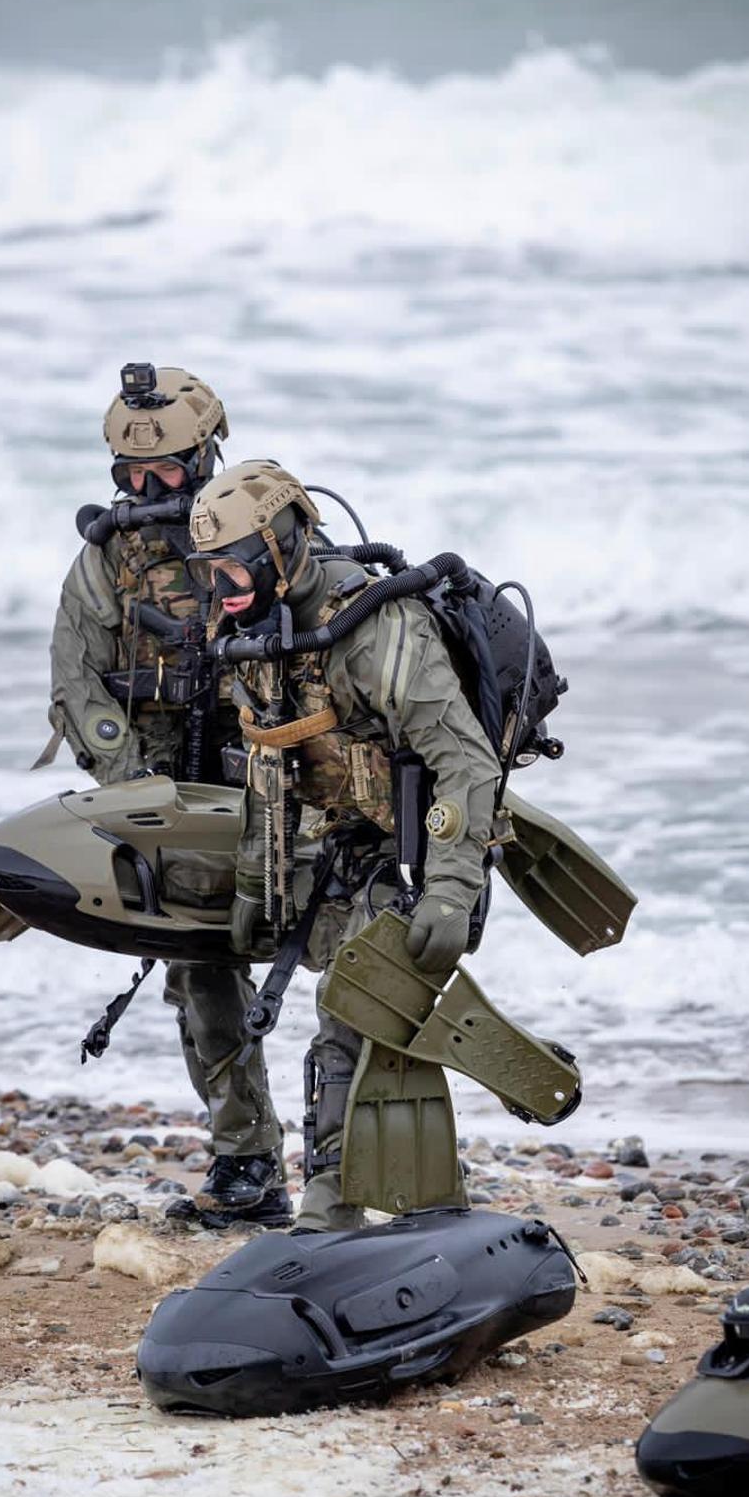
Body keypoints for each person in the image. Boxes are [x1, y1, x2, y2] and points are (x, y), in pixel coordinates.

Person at [186, 460, 502, 1232]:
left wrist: (453, 890)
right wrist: (256, 893)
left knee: (348, 1013)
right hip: (326, 849)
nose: (220, 585)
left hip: (418, 858)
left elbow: (467, 764)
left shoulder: (378, 630)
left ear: (278, 543)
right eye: (208, 570)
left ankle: (332, 1205)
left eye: (232, 565)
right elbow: (270, 769)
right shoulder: (251, 631)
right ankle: (424, 1190)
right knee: (199, 959)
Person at [37, 365, 288, 1227]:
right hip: (167, 783)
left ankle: (351, 1158)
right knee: (200, 970)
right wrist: (131, 785)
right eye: (130, 476)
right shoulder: (110, 558)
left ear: (208, 454)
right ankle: (248, 1161)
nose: (147, 491)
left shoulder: (260, 527)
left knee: (336, 953)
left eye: (167, 474)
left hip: (273, 771)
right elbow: (76, 678)